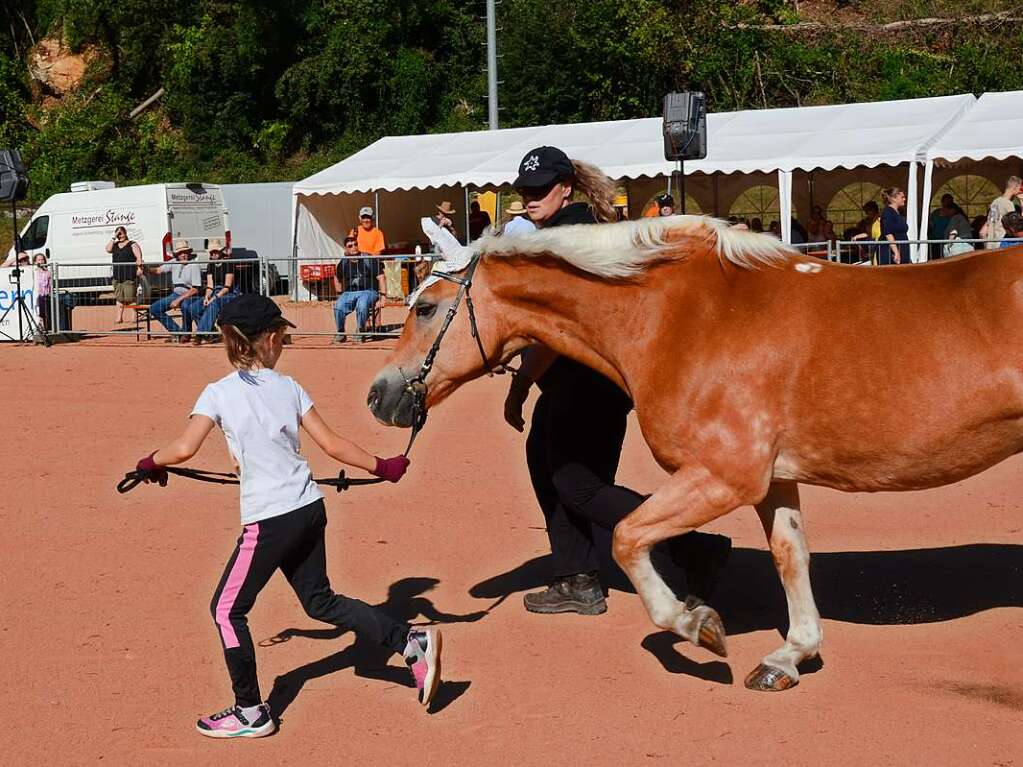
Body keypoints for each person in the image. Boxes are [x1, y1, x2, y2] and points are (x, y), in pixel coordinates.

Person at [132, 293, 438, 739]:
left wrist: (149, 463)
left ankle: (250, 710)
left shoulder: (217, 393)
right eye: (282, 335)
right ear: (269, 339)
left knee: (224, 610)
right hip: (308, 509)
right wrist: (383, 466)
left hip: (270, 520)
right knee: (321, 603)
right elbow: (331, 445)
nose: (285, 342)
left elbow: (184, 449)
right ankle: (409, 641)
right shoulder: (289, 386)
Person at [502, 145, 730, 616]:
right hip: (590, 385)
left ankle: (689, 547)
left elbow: (552, 334)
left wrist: (520, 386)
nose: (530, 197)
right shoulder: (581, 229)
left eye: (540, 189)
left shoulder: (564, 242)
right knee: (548, 464)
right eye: (525, 190)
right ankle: (575, 576)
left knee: (577, 485)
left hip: (586, 384)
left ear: (565, 189)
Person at [333, 234, 386, 343]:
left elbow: (381, 277)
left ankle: (360, 331)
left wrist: (383, 297)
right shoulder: (343, 263)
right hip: (350, 292)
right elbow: (336, 278)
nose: (354, 247)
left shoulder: (368, 259)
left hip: (369, 291)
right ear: (346, 249)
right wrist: (339, 294)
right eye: (350, 245)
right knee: (338, 306)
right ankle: (341, 332)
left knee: (362, 305)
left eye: (355, 244)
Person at [184, 238, 237, 345]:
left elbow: (227, 287)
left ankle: (200, 334)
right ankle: (211, 333)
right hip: (215, 292)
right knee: (193, 308)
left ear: (221, 251)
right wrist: (207, 297)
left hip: (229, 294)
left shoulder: (228, 263)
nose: (214, 254)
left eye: (216, 251)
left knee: (214, 304)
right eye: (212, 252)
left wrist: (215, 298)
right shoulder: (210, 265)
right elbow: (209, 286)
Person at [149, 239, 203, 341]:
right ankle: (177, 332)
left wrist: (178, 300)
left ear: (189, 253)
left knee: (185, 305)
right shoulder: (174, 262)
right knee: (154, 308)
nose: (183, 255)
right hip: (176, 294)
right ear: (177, 255)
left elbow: (195, 289)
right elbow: (158, 270)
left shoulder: (194, 265)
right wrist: (144, 268)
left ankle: (186, 334)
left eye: (185, 252)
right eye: (180, 253)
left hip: (191, 295)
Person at [106, 226, 142, 324]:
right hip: (117, 276)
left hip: (129, 275)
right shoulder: (115, 245)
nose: (120, 235)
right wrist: (114, 237)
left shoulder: (132, 244)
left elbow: (139, 257)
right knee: (119, 298)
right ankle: (119, 318)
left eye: (121, 233)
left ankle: (134, 317)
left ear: (126, 233)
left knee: (131, 297)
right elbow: (108, 249)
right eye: (118, 234)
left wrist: (139, 268)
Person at [982, 176, 1023, 249]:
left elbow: (984, 230)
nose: (1020, 191)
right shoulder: (1008, 204)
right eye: (1020, 188)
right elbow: (1017, 225)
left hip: (991, 243)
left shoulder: (995, 202)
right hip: (1002, 243)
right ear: (1015, 187)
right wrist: (1021, 201)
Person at [879, 187, 909, 265]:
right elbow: (888, 233)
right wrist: (896, 252)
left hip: (903, 250)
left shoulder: (899, 213)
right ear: (894, 199)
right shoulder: (887, 213)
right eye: (902, 197)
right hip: (890, 253)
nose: (904, 199)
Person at [928, 194, 959, 259]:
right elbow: (931, 224)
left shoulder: (953, 213)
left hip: (947, 241)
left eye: (949, 202)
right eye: (946, 202)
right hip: (935, 240)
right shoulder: (935, 212)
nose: (947, 204)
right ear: (942, 202)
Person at [33, 252, 51, 332]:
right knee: (38, 313)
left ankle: (45, 328)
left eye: (42, 259)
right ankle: (39, 327)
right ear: (35, 262)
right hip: (37, 295)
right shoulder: (33, 272)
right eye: (39, 259)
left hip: (46, 295)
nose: (41, 261)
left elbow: (50, 284)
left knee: (45, 314)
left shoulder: (48, 272)